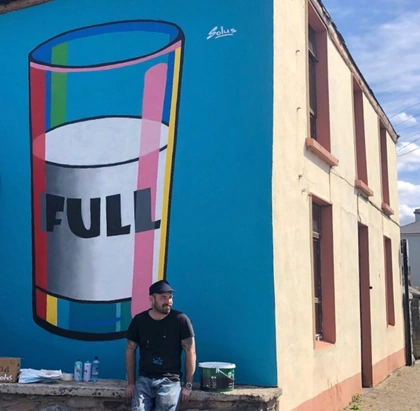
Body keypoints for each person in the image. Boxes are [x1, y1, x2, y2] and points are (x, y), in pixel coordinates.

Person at [125, 280, 196, 411]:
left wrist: (188, 385)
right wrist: (131, 383)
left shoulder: (181, 320)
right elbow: (130, 350)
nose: (168, 301)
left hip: (170, 380)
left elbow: (190, 352)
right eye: (163, 297)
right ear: (151, 299)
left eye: (170, 297)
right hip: (144, 379)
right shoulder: (139, 321)